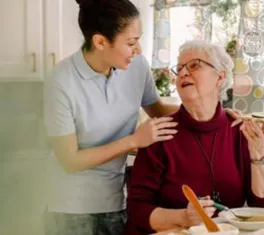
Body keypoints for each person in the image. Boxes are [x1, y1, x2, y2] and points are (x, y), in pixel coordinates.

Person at [43, 1, 179, 234]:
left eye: (138, 39)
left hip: (117, 200)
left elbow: (158, 111)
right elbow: (70, 160)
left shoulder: (136, 67)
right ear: (100, 42)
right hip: (71, 207)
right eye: (131, 43)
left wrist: (216, 112)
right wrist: (134, 141)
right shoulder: (61, 81)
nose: (138, 50)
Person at [124, 40, 264, 235]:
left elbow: (263, 205)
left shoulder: (238, 130)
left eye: (194, 65)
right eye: (179, 69)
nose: (183, 73)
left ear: (220, 77)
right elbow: (137, 211)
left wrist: (259, 156)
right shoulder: (159, 133)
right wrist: (183, 218)